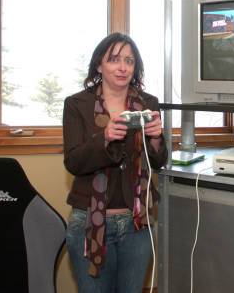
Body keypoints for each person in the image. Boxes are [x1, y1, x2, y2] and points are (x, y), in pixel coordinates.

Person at [63, 33, 167, 293]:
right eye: (114, 59)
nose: (123, 67)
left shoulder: (148, 104)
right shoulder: (77, 105)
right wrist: (105, 138)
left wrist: (155, 138)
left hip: (137, 224)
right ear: (99, 65)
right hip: (89, 223)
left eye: (129, 61)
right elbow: (74, 161)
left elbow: (158, 160)